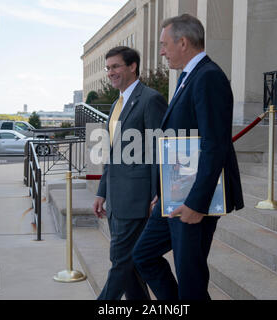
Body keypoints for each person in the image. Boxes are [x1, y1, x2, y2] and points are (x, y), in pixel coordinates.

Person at [132, 14, 244, 300]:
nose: (161, 52)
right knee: (143, 255)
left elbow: (214, 145)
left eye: (164, 44)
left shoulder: (209, 77)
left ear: (183, 42)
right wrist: (163, 190)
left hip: (195, 199)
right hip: (175, 194)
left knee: (191, 277)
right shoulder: (188, 77)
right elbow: (182, 140)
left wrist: (197, 203)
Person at [92, 46, 168, 300]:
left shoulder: (150, 99)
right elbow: (113, 154)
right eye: (108, 68)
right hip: (116, 199)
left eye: (115, 66)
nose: (110, 72)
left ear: (132, 66)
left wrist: (158, 194)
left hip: (137, 200)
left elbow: (160, 149)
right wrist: (102, 192)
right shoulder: (117, 103)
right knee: (131, 265)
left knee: (121, 263)